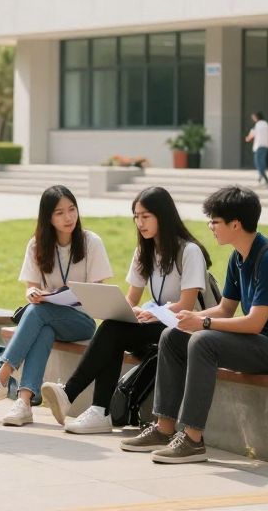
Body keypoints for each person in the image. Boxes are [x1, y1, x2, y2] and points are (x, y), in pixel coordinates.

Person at [119, 186, 268, 464]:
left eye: (215, 221)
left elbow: (255, 323)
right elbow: (225, 309)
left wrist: (203, 323)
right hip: (257, 341)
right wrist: (188, 319)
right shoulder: (238, 257)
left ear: (235, 224)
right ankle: (164, 429)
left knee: (203, 340)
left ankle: (193, 439)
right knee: (173, 335)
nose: (210, 227)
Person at [44, 186, 209, 434]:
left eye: (145, 216)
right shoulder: (145, 251)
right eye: (136, 217)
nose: (140, 223)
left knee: (113, 331)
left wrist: (154, 313)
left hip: (184, 328)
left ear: (162, 216)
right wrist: (121, 309)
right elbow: (132, 298)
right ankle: (98, 410)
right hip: (156, 325)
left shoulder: (189, 251)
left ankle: (79, 399)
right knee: (113, 324)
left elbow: (186, 304)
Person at [0, 185, 112, 427]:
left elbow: (96, 294)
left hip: (82, 322)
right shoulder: (37, 245)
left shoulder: (91, 242)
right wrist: (33, 292)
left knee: (38, 313)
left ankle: (1, 378)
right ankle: (24, 402)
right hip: (48, 317)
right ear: (48, 217)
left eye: (72, 209)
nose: (68, 217)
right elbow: (30, 287)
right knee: (42, 325)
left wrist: (58, 296)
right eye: (59, 213)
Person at [245, 112, 268, 187]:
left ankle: (266, 180)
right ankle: (260, 179)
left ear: (257, 117)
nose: (253, 119)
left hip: (259, 146)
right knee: (262, 162)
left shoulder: (258, 124)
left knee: (258, 162)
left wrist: (247, 138)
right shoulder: (266, 124)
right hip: (266, 145)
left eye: (253, 117)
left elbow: (252, 134)